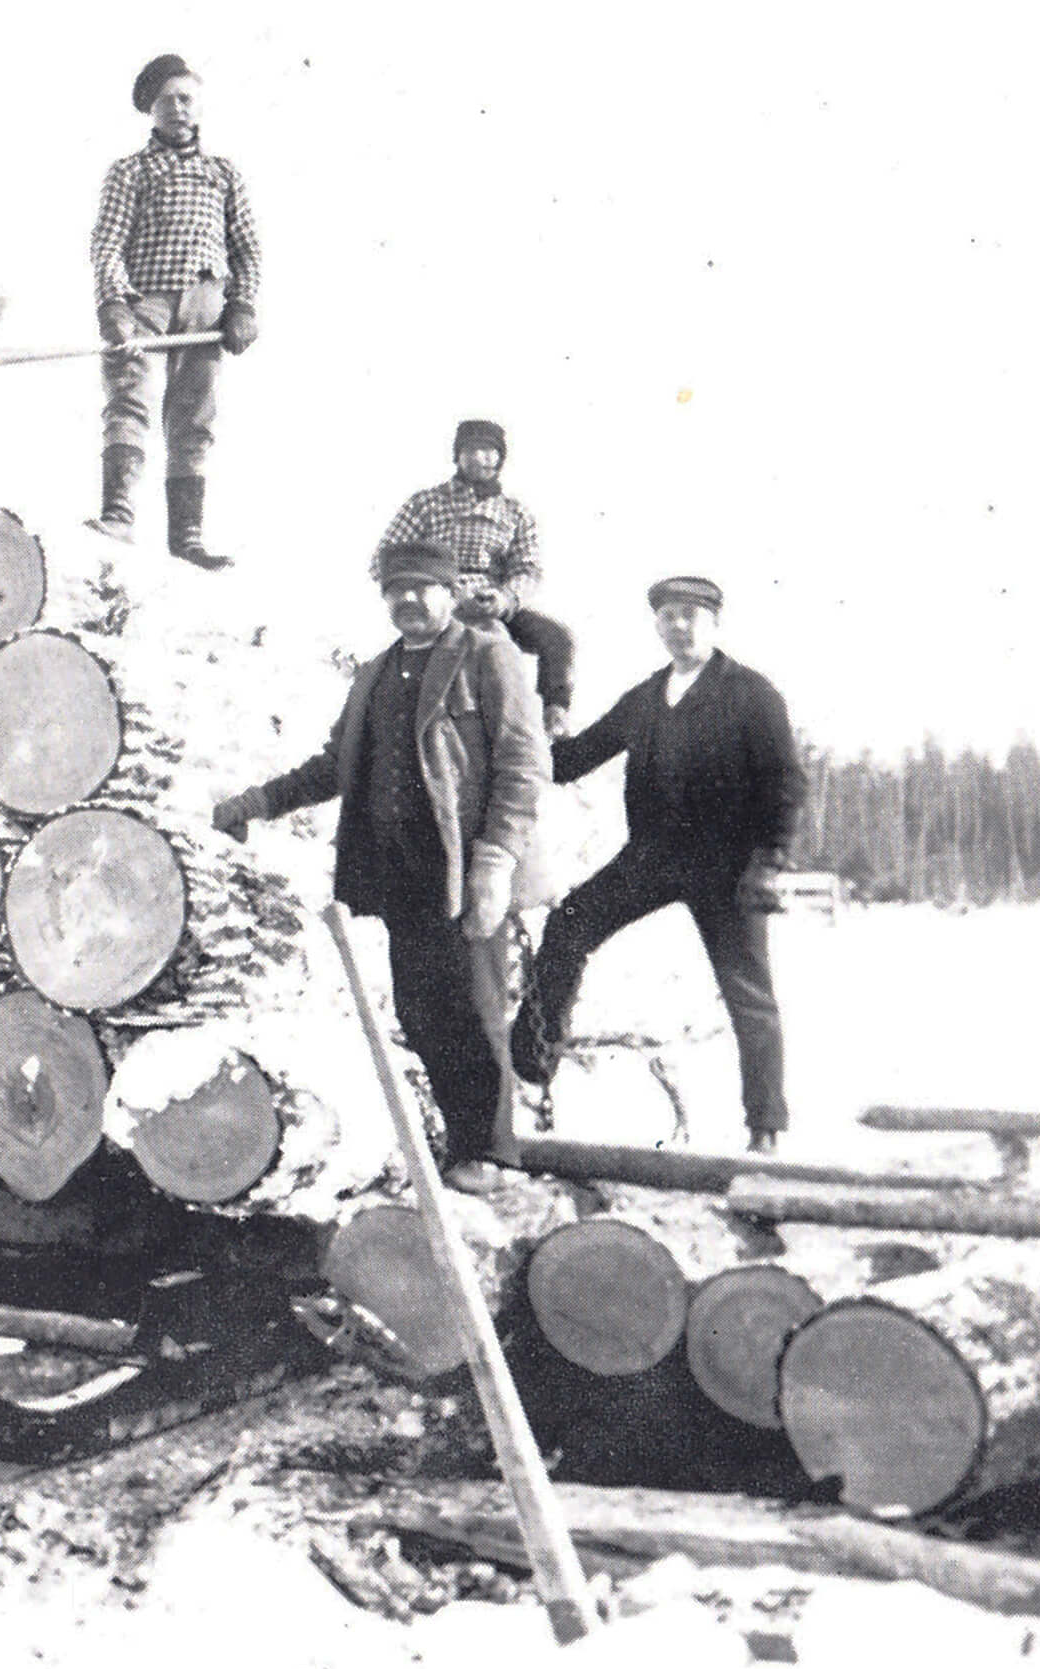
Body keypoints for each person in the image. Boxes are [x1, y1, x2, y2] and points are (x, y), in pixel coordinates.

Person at [212, 542, 549, 1188]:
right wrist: (255, 802)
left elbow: (524, 763)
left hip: (465, 866)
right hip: (399, 871)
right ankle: (461, 1144)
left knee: (476, 1009)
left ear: (451, 593)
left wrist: (496, 861)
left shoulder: (485, 655)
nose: (410, 600)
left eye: (423, 588)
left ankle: (496, 1154)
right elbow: (332, 766)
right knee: (420, 1010)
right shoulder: (374, 673)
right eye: (397, 590)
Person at [509, 576, 804, 1152]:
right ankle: (533, 1068)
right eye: (669, 616)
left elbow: (785, 783)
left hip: (728, 868)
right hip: (651, 858)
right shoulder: (646, 697)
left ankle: (765, 1131)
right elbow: (574, 760)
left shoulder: (750, 692)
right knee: (569, 925)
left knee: (747, 993)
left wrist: (768, 863)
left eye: (691, 615)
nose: (680, 626)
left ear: (714, 623)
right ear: (658, 626)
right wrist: (536, 733)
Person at [86, 52, 262, 568]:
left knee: (194, 416)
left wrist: (243, 306)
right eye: (166, 101)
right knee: (129, 398)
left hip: (205, 307)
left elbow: (247, 247)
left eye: (186, 98)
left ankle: (186, 538)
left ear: (199, 104)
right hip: (147, 302)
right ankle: (118, 515)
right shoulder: (131, 171)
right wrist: (115, 304)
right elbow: (107, 243)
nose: (178, 110)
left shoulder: (222, 172)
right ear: (151, 110)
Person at [373, 420, 580, 734]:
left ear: (500, 458)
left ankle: (554, 719)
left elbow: (527, 567)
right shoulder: (428, 503)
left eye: (489, 451)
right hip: (441, 601)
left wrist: (505, 598)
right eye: (472, 450)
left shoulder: (514, 512)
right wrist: (433, 587)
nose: (481, 458)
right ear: (458, 456)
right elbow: (384, 558)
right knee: (483, 654)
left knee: (558, 638)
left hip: (492, 600)